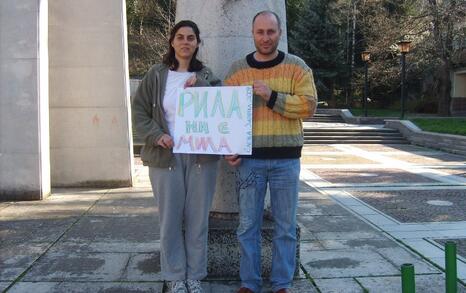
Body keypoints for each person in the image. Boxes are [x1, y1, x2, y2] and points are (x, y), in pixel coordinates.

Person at [224, 11, 317, 293]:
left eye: (271, 32)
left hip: (286, 161)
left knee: (285, 228)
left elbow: (309, 107)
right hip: (249, 163)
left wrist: (271, 96)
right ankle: (249, 283)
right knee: (247, 227)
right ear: (253, 33)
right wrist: (230, 148)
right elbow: (226, 115)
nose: (265, 37)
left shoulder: (297, 67)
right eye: (260, 32)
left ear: (279, 33)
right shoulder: (237, 70)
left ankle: (281, 284)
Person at [132, 20, 220, 293]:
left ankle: (195, 276)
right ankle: (174, 276)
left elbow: (223, 109)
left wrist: (203, 86)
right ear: (172, 41)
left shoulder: (207, 76)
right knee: (170, 220)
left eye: (191, 37)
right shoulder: (156, 75)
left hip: (200, 159)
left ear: (197, 42)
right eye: (180, 37)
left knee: (197, 219)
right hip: (165, 158)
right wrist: (157, 135)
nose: (185, 42)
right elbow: (139, 113)